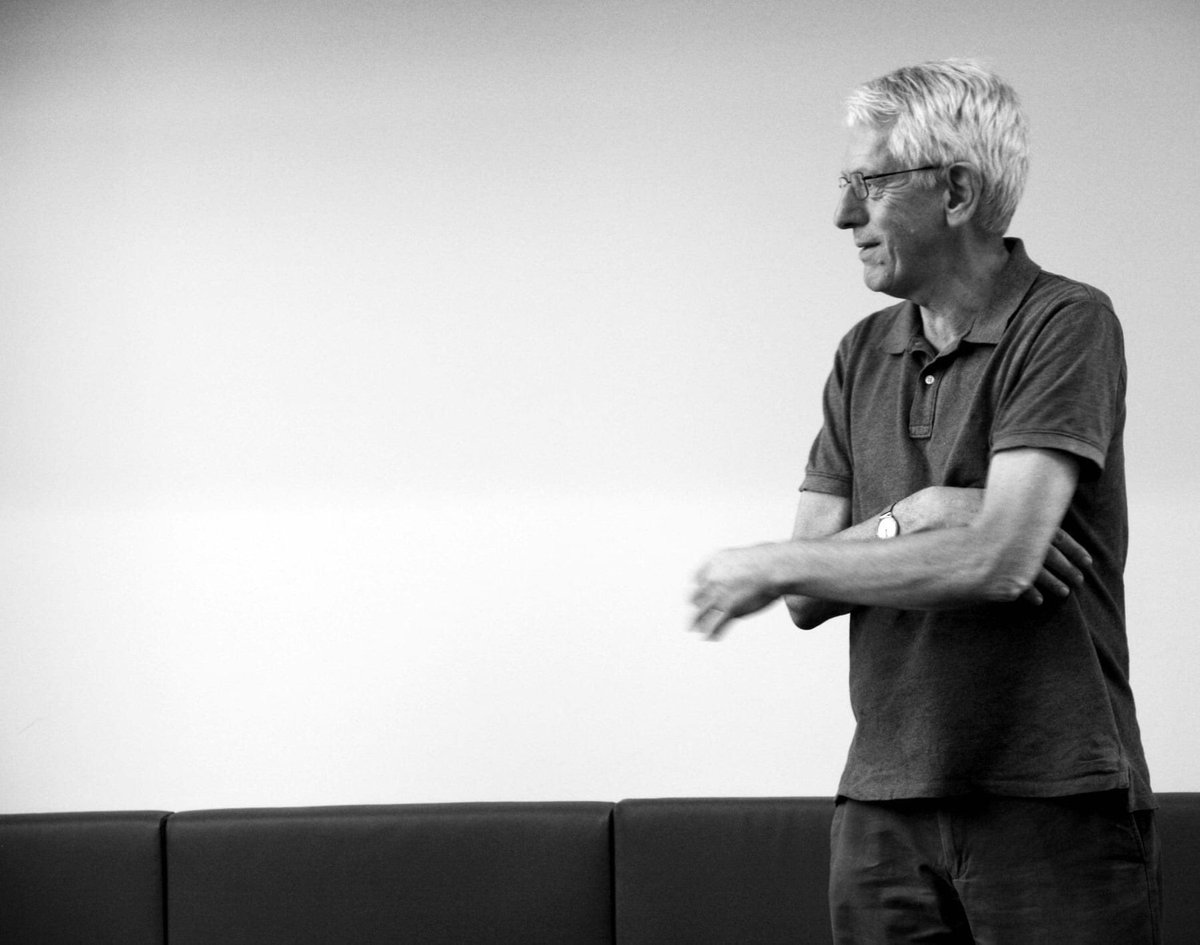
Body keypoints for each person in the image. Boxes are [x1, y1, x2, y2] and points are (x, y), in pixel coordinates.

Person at [689, 60, 1159, 944]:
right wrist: (924, 513)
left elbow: (1002, 558)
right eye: (845, 184)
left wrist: (787, 557)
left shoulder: (1066, 322)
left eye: (868, 183)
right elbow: (806, 596)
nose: (842, 215)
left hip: (1051, 800)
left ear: (955, 192)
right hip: (881, 809)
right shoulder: (862, 351)